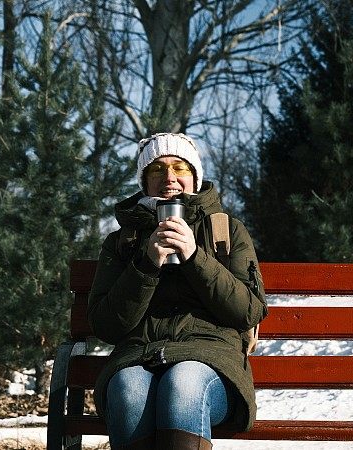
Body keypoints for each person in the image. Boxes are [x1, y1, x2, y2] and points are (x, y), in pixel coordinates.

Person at [88, 132, 267, 450]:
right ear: (144, 180)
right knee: (128, 388)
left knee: (182, 382)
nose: (169, 177)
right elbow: (106, 325)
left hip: (210, 362)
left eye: (180, 167)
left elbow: (248, 312)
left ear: (195, 176)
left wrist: (194, 256)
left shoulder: (226, 231)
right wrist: (146, 265)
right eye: (157, 169)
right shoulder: (123, 241)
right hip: (136, 358)